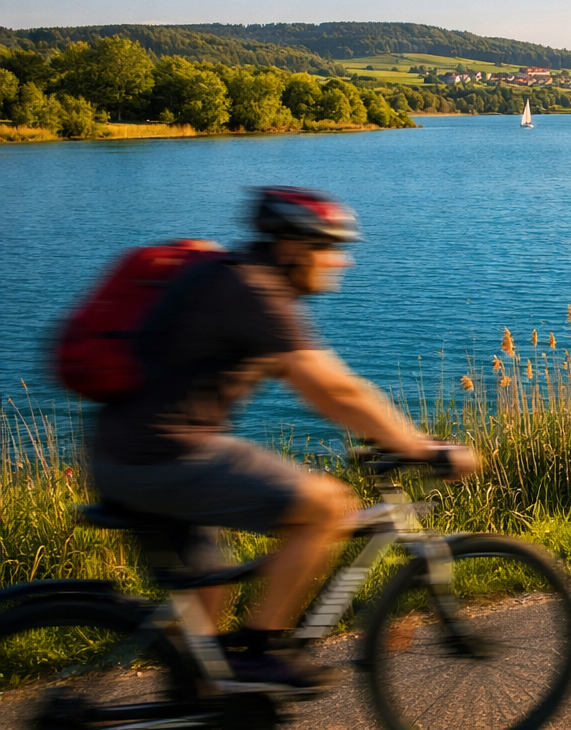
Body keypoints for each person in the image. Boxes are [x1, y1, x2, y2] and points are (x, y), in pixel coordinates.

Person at [90, 186, 477, 687]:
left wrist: (387, 433)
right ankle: (262, 651)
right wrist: (420, 446)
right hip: (163, 456)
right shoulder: (253, 291)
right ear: (293, 246)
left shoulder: (232, 278)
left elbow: (324, 389)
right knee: (324, 505)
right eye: (330, 247)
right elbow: (333, 390)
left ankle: (208, 696)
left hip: (126, 453)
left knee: (209, 600)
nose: (341, 261)